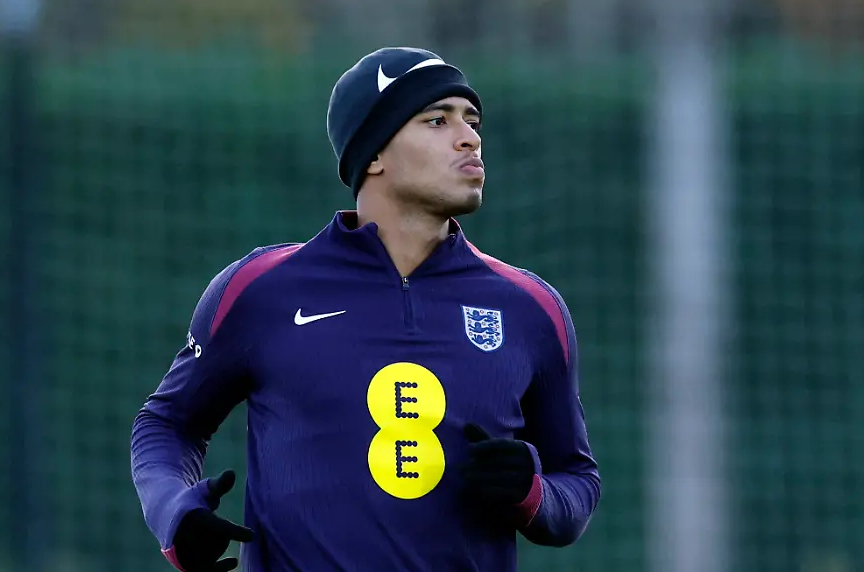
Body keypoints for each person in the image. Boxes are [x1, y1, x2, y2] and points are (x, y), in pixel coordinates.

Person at [131, 46, 601, 572]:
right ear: (373, 154)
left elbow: (576, 484)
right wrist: (175, 513)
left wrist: (532, 494)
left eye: (472, 120)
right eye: (436, 119)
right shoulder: (260, 290)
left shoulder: (531, 309)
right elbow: (166, 425)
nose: (469, 137)